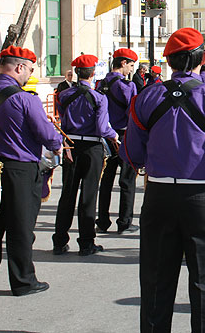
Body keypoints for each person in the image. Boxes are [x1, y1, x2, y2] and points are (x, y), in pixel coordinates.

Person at [119, 27, 205, 332]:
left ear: (170, 61)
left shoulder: (146, 96)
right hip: (203, 197)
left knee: (155, 281)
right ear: (202, 59)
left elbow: (132, 152)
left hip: (159, 196)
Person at [0, 46, 62, 296]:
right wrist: (57, 143)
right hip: (19, 170)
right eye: (30, 70)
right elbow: (45, 134)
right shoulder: (25, 98)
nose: (29, 75)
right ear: (19, 67)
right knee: (20, 229)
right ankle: (23, 281)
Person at [53, 54, 118, 256]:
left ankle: (60, 241)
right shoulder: (99, 98)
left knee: (68, 194)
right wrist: (114, 135)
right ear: (92, 74)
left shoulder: (64, 95)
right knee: (88, 196)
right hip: (91, 147)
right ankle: (86, 242)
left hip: (71, 145)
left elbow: (62, 118)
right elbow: (101, 127)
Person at [95, 49, 139, 234]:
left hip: (105, 135)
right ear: (123, 63)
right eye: (130, 65)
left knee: (106, 179)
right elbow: (133, 113)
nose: (131, 69)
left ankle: (103, 220)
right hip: (124, 135)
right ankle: (124, 221)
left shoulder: (100, 84)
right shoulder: (127, 86)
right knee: (127, 180)